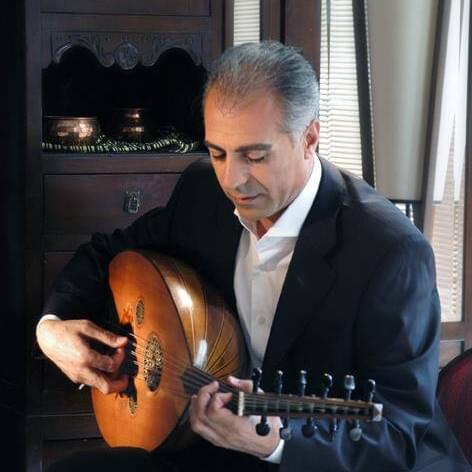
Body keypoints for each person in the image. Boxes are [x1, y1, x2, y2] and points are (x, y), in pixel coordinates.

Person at [36, 41, 470, 472]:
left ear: (309, 139)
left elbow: (396, 435)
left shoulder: (391, 253)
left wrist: (276, 443)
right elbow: (109, 252)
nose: (233, 179)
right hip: (219, 449)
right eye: (217, 152)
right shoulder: (202, 192)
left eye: (255, 156)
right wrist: (52, 327)